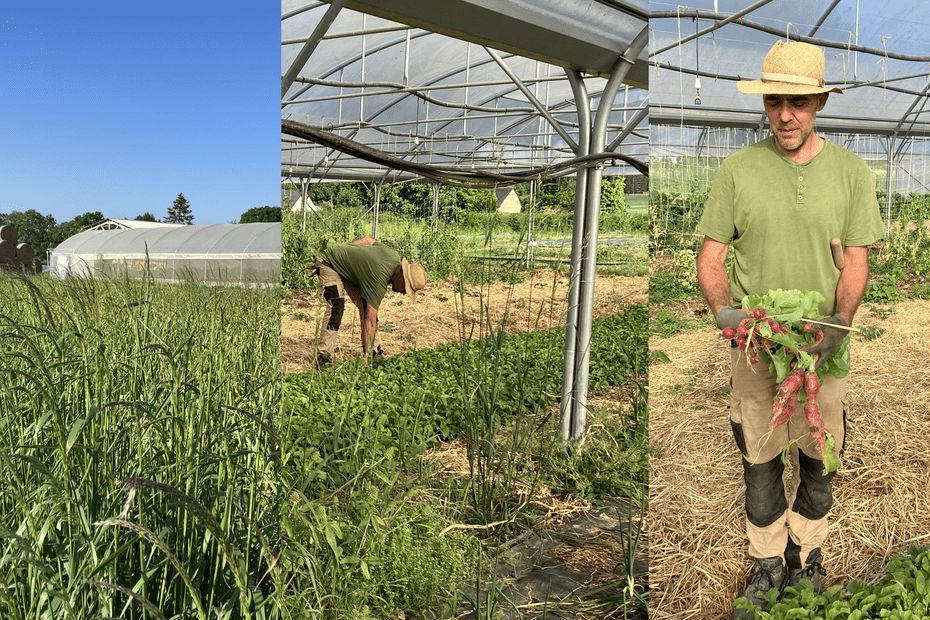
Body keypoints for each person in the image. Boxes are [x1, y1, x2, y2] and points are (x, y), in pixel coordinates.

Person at [694, 40, 884, 618]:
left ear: (819, 102)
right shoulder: (738, 169)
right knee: (760, 455)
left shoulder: (850, 172)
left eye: (798, 102)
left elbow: (855, 260)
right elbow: (710, 257)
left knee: (820, 454)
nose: (785, 115)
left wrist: (841, 324)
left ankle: (810, 551)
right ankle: (768, 559)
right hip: (758, 346)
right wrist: (728, 316)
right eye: (775, 101)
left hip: (822, 347)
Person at [313, 236, 426, 369]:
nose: (404, 293)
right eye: (406, 288)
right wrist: (368, 362)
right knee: (336, 306)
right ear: (401, 276)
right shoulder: (378, 279)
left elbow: (368, 240)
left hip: (343, 265)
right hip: (328, 263)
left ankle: (374, 351)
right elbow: (369, 322)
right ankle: (323, 356)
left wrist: (350, 254)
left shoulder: (393, 256)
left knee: (367, 308)